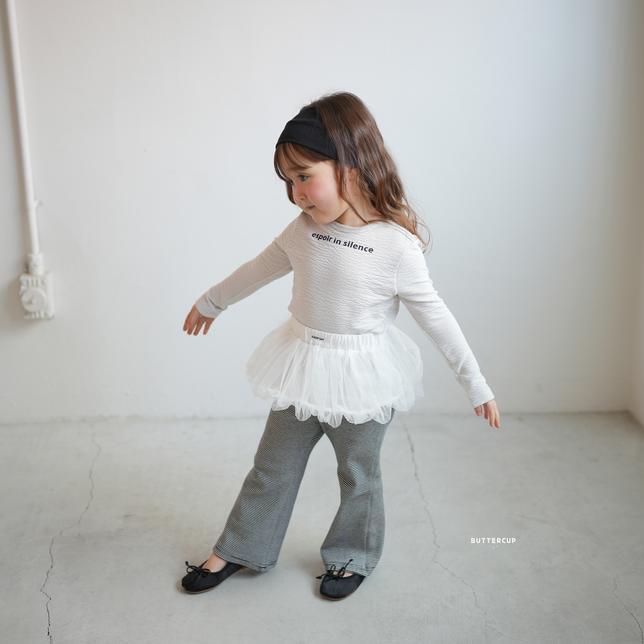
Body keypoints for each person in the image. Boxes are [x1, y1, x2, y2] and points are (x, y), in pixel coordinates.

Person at [180, 91, 501, 600]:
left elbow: (436, 317)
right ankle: (241, 546)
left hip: (362, 379)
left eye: (304, 176)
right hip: (301, 367)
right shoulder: (302, 231)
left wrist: (475, 383)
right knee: (271, 467)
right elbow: (257, 270)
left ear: (350, 166)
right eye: (288, 182)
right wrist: (212, 301)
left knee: (357, 474)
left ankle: (352, 555)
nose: (296, 194)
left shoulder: (396, 246)